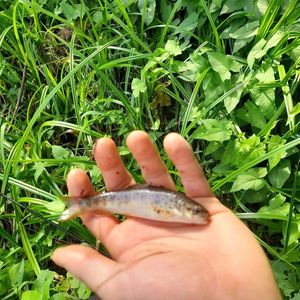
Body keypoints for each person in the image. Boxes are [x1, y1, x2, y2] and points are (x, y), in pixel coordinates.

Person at [52, 131, 281, 299]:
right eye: (194, 211)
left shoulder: (178, 209)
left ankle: (81, 204)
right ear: (183, 210)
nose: (202, 216)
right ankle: (81, 204)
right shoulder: (172, 207)